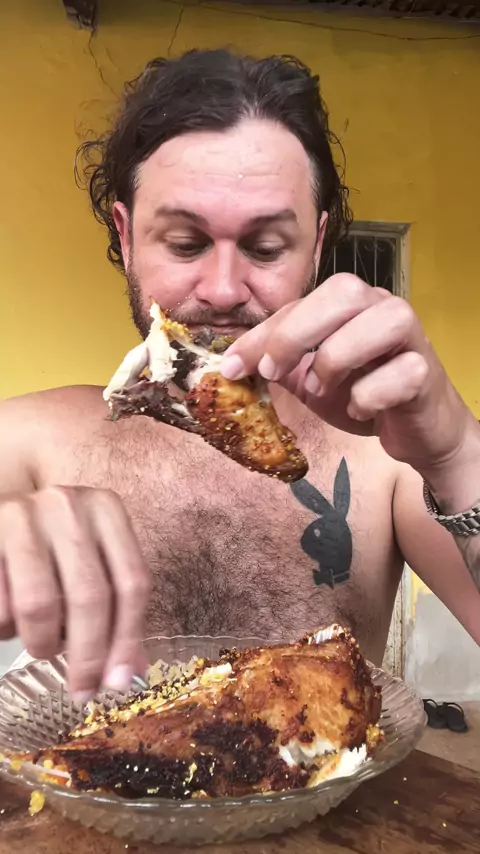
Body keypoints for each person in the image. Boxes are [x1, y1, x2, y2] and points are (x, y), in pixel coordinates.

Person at [1, 49, 479, 702]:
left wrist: (457, 455)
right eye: (186, 243)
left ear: (316, 244)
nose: (225, 289)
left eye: (264, 247)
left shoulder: (386, 460)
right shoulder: (30, 441)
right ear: (127, 236)